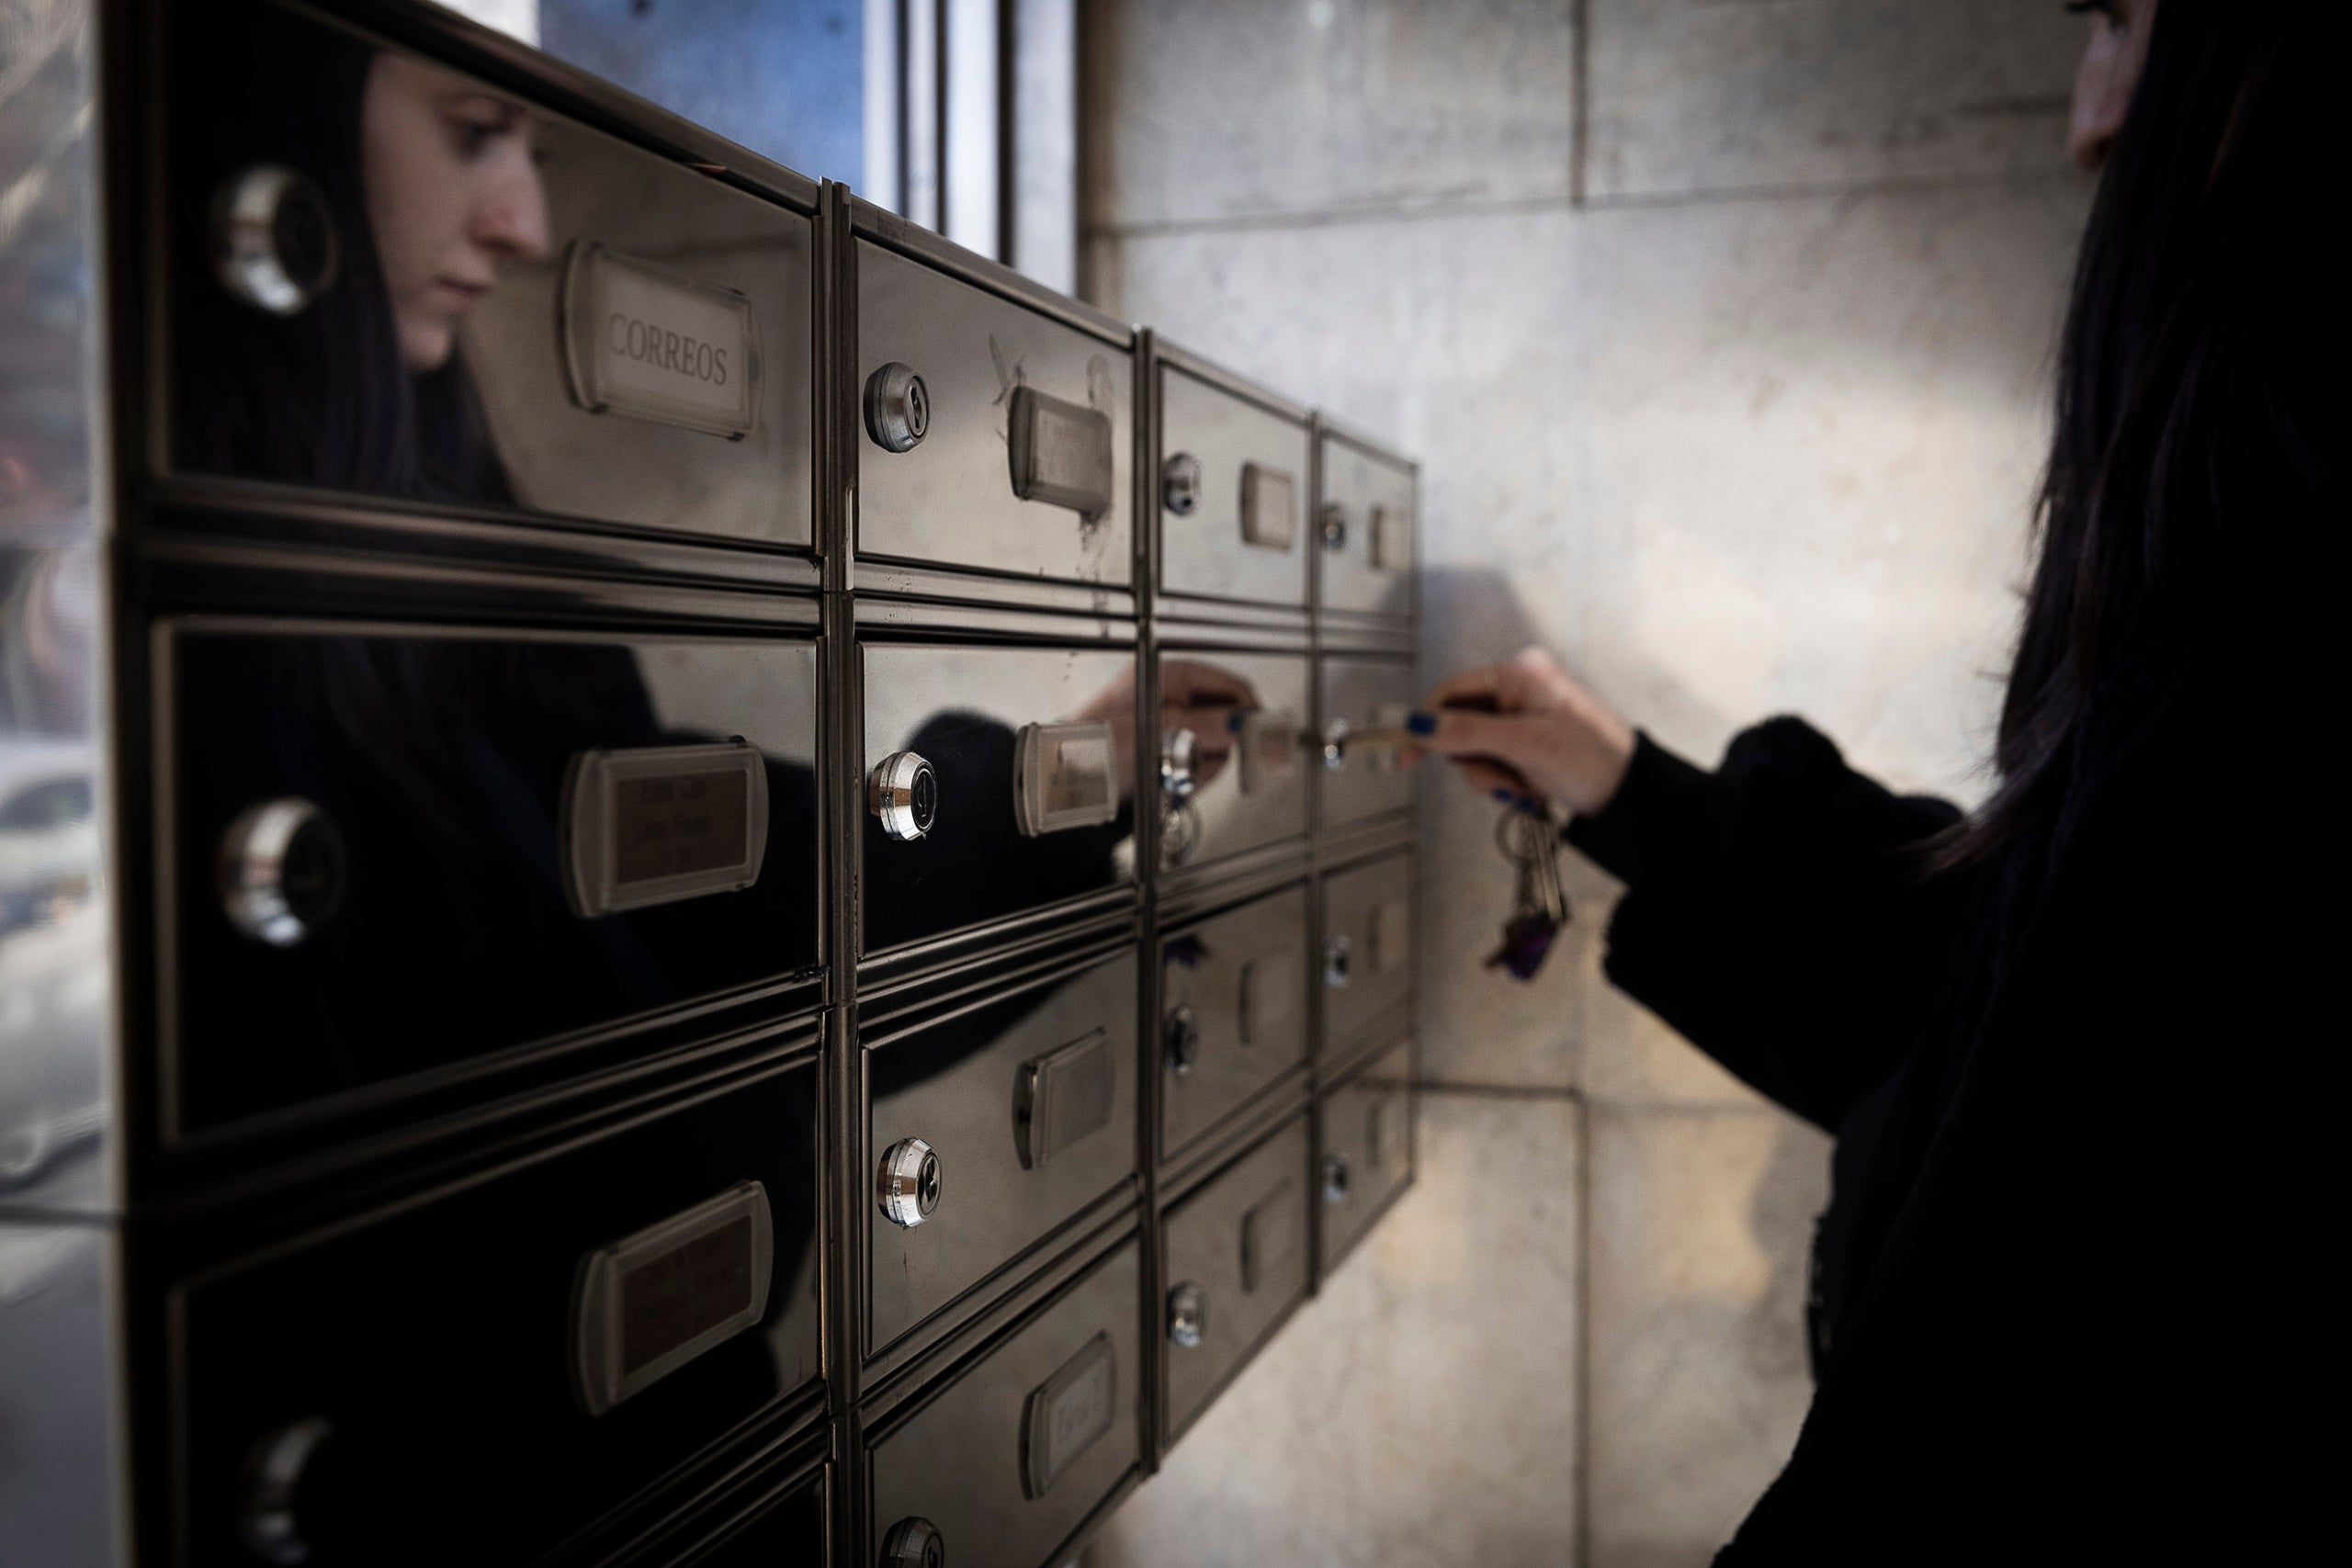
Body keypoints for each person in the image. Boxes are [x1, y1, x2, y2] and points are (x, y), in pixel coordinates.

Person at [1408, 2, 2339, 1556]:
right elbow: (2000, 991)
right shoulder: (2248, 605)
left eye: (2116, 19)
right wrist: (1637, 793)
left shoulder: (2276, 656)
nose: (2089, 117)